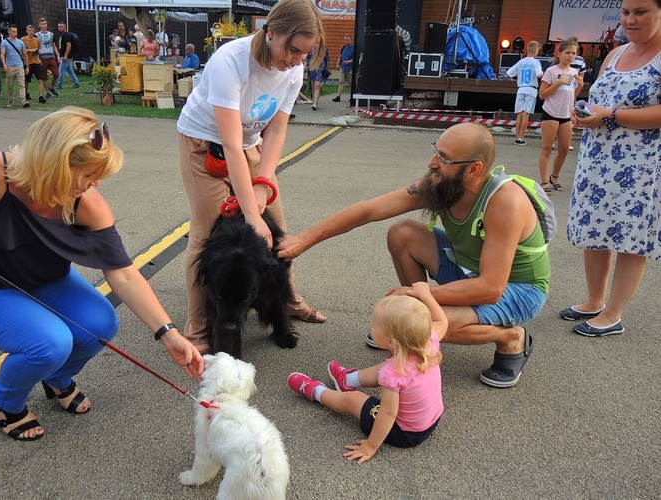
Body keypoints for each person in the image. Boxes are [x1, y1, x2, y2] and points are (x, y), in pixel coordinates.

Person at [0, 107, 204, 441]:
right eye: (88, 174)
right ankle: (4, 398)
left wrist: (168, 334)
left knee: (100, 324)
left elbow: (123, 274)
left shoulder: (88, 203)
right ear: (54, 166)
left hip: (41, 282)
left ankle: (57, 378)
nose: (96, 183)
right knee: (50, 342)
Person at [278, 122, 549, 388]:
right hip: (468, 270)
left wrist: (415, 297)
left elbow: (490, 288)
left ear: (474, 169)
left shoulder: (505, 201)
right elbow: (367, 211)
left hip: (519, 289)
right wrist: (304, 240)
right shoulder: (441, 184)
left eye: (444, 158)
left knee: (424, 321)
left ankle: (512, 338)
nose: (432, 162)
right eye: (436, 150)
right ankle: (412, 325)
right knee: (402, 233)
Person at [176, 0, 328, 355]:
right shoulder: (231, 60)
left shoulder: (294, 71)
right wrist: (249, 212)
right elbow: (229, 144)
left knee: (277, 229)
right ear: (271, 31)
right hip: (204, 142)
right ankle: (197, 328)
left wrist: (263, 186)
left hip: (250, 143)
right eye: (293, 50)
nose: (296, 61)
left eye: (305, 54)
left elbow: (275, 134)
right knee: (206, 233)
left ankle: (286, 301)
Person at [565, 0, 661, 337]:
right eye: (626, 12)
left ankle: (613, 314)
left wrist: (610, 116)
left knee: (630, 238)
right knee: (595, 231)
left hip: (641, 164)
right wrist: (585, 113)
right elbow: (600, 100)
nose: (630, 20)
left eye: (641, 12)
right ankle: (594, 301)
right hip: (598, 158)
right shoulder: (615, 54)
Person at [288, 287, 446, 462]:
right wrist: (425, 294)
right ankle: (347, 380)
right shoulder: (428, 340)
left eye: (375, 324)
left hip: (405, 432)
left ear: (391, 341)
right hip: (432, 420)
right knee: (388, 366)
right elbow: (441, 320)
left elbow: (388, 414)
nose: (372, 325)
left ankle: (316, 392)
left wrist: (370, 446)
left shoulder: (392, 374)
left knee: (352, 399)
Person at [538, 37, 583, 195]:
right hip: (551, 113)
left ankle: (554, 177)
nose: (571, 56)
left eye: (574, 53)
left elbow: (572, 95)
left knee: (564, 149)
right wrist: (558, 83)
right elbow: (542, 95)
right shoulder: (552, 71)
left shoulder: (574, 72)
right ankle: (544, 181)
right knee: (547, 148)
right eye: (568, 52)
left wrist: (581, 86)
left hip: (565, 114)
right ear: (559, 54)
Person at [506, 40, 543, 145]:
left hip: (521, 88)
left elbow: (509, 73)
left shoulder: (521, 61)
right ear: (536, 51)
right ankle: (521, 138)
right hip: (531, 89)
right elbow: (539, 75)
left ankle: (517, 136)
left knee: (519, 114)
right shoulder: (536, 62)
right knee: (526, 114)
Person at [1, 25, 30, 108]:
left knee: (22, 84)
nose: (15, 33)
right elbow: (2, 54)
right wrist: (4, 65)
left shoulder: (20, 42)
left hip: (19, 65)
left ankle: (23, 101)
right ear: (9, 32)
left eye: (16, 32)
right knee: (10, 84)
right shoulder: (5, 42)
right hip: (10, 66)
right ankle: (11, 99)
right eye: (13, 32)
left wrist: (27, 66)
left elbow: (24, 54)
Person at [36, 17, 60, 98]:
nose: (44, 26)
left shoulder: (51, 34)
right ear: (39, 25)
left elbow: (53, 45)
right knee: (44, 76)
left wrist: (58, 55)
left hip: (51, 56)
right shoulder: (37, 35)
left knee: (56, 73)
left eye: (45, 24)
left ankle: (52, 87)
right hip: (42, 56)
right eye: (42, 24)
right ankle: (48, 91)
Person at [55, 21, 80, 89]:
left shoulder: (66, 35)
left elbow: (69, 45)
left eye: (61, 27)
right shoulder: (63, 35)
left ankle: (59, 85)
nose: (59, 28)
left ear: (65, 27)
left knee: (61, 70)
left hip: (66, 56)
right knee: (70, 71)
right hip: (66, 55)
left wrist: (65, 55)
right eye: (59, 27)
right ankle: (77, 83)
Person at [21, 25, 41, 103]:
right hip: (27, 62)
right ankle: (26, 93)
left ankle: (40, 96)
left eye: (33, 31)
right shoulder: (23, 39)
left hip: (36, 61)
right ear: (27, 31)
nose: (31, 32)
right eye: (30, 31)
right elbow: (21, 50)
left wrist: (36, 51)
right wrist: (30, 50)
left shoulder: (37, 40)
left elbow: (39, 49)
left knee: (40, 79)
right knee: (26, 80)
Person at [305, 44, 329, 110]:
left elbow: (327, 59)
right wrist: (305, 66)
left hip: (321, 68)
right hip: (311, 68)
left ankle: (315, 103)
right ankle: (314, 101)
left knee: (317, 85)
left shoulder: (324, 47)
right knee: (313, 86)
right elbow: (307, 58)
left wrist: (328, 69)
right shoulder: (310, 46)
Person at [332, 34, 354, 103]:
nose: (346, 41)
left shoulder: (353, 48)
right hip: (343, 68)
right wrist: (337, 64)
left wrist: (349, 61)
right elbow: (340, 56)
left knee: (351, 83)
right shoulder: (343, 48)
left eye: (347, 40)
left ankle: (352, 97)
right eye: (345, 40)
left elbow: (355, 58)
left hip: (350, 68)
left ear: (351, 40)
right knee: (341, 82)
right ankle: (338, 96)